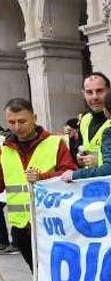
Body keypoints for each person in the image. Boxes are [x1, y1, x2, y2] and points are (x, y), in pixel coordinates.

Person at [2, 98, 78, 271]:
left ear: (34, 118)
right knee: (36, 274)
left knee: (55, 275)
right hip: (21, 227)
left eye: (22, 121)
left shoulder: (55, 142)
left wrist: (43, 176)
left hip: (51, 224)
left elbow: (70, 174)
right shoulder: (4, 148)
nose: (16, 127)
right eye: (11, 122)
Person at [79, 72, 111, 165]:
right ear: (84, 94)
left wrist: (99, 161)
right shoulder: (84, 120)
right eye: (89, 92)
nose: (95, 97)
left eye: (99, 91)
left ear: (110, 91)